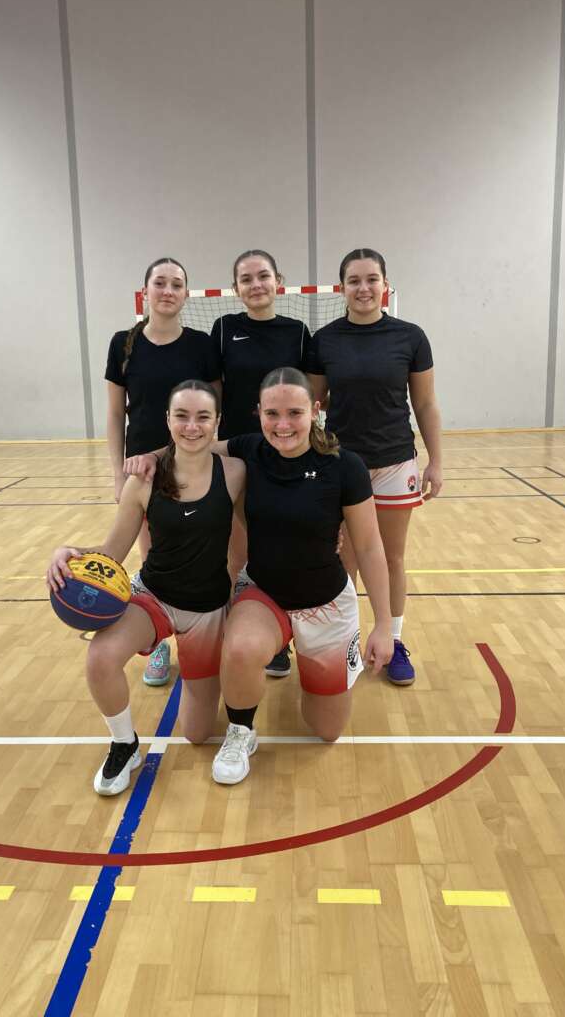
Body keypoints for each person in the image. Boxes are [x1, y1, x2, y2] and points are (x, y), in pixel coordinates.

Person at [126, 367, 393, 785]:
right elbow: (192, 442)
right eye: (272, 414)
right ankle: (241, 731)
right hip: (265, 591)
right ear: (259, 413)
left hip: (326, 603)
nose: (282, 425)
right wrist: (151, 456)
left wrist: (384, 624)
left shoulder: (346, 467)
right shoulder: (249, 450)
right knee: (240, 648)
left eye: (294, 413)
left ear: (315, 411)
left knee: (326, 729)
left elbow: (371, 547)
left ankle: (314, 672)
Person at [47, 381, 245, 795]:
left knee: (197, 734)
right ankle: (124, 744)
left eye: (203, 417)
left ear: (217, 422)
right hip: (154, 596)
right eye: (182, 416)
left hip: (208, 609)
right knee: (100, 657)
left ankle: (198, 673)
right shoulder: (143, 481)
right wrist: (70, 553)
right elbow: (111, 553)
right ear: (167, 420)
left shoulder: (235, 473)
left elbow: (262, 529)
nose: (192, 426)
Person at [307, 248, 443, 687]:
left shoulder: (410, 337)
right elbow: (312, 403)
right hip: (342, 464)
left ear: (385, 284)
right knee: (344, 558)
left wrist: (436, 461)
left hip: (395, 462)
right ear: (341, 287)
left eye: (372, 279)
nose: (363, 288)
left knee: (392, 557)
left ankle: (394, 640)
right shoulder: (325, 340)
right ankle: (345, 640)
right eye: (354, 280)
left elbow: (425, 403)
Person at [105, 258, 221, 687]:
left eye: (176, 284)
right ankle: (158, 644)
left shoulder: (202, 345)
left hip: (192, 461)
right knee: (151, 556)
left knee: (202, 553)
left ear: (186, 294)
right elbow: (115, 414)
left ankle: (206, 634)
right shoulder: (123, 344)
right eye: (160, 283)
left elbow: (215, 410)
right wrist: (118, 473)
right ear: (146, 292)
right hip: (142, 469)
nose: (168, 291)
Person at [210, 249, 310, 677]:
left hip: (286, 454)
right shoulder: (223, 329)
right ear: (235, 288)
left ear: (278, 281)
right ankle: (241, 634)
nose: (256, 285)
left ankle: (284, 636)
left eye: (263, 276)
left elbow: (310, 397)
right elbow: (214, 394)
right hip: (238, 454)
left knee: (283, 549)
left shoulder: (298, 333)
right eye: (246, 279)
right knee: (238, 553)